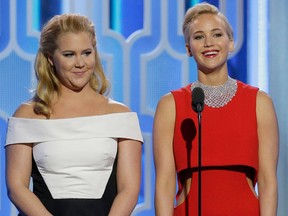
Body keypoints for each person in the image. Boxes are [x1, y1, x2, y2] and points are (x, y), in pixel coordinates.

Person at [5, 14, 143, 216]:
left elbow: (128, 190)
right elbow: (17, 188)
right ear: (51, 58)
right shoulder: (28, 114)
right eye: (69, 54)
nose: (80, 63)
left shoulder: (120, 115)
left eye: (86, 53)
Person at [153, 2, 279, 216]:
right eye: (199, 37)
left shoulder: (259, 102)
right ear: (188, 49)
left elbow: (268, 182)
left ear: (230, 42)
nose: (208, 43)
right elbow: (164, 185)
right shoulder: (171, 105)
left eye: (217, 34)